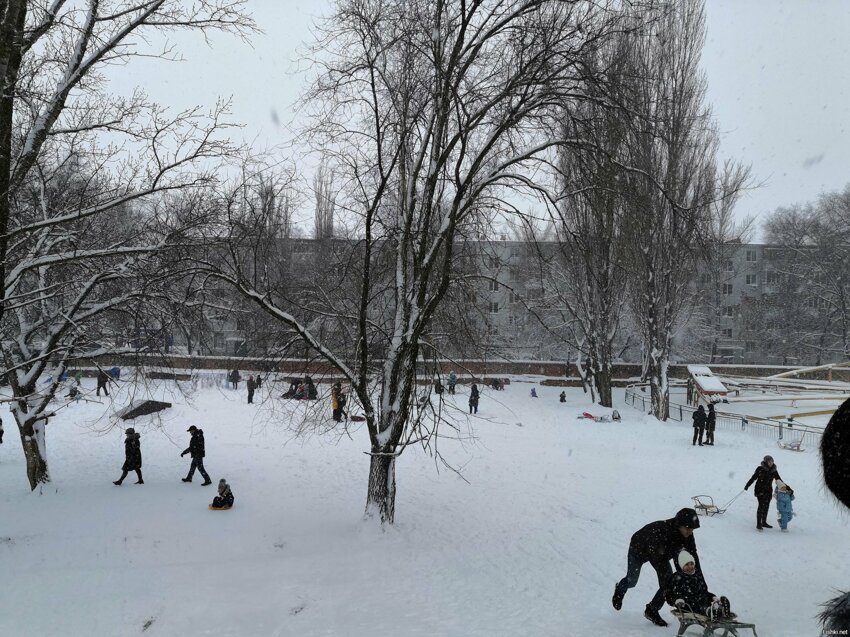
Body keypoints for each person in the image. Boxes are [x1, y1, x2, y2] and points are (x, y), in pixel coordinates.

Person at [612, 507, 703, 628]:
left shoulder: (687, 535)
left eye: (692, 529)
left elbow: (693, 559)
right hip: (639, 548)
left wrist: (700, 584)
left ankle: (652, 609)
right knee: (632, 580)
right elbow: (662, 569)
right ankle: (620, 590)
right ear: (679, 525)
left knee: (672, 581)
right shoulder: (663, 534)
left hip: (661, 553)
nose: (690, 531)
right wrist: (672, 596)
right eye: (688, 528)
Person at [665, 550, 732, 620]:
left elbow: (704, 591)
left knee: (705, 603)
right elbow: (672, 593)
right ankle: (710, 612)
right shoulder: (678, 577)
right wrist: (678, 599)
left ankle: (721, 610)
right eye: (686, 565)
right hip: (687, 605)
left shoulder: (697, 575)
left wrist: (712, 597)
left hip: (702, 600)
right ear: (682, 566)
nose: (690, 567)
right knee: (699, 606)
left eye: (691, 564)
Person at [744, 454, 783, 530]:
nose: (771, 463)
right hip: (760, 490)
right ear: (766, 462)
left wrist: (785, 487)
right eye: (769, 462)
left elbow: (779, 480)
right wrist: (747, 485)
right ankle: (759, 524)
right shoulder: (760, 469)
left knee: (766, 506)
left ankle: (764, 522)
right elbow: (753, 478)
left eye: (772, 461)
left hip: (768, 490)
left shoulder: (774, 470)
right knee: (761, 506)